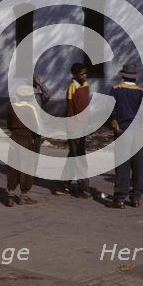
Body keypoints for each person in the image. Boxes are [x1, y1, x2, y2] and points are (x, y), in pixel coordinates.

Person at [106, 63, 143, 209]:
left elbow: (109, 109)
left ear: (123, 76)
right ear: (135, 78)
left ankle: (119, 198)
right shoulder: (141, 92)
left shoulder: (116, 90)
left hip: (122, 130)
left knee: (122, 165)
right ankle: (136, 197)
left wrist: (114, 122)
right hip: (137, 131)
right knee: (138, 165)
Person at [55, 62, 91, 198]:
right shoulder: (72, 88)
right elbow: (71, 111)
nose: (85, 76)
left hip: (83, 128)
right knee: (78, 157)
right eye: (82, 74)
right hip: (74, 128)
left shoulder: (85, 87)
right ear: (75, 75)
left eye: (86, 73)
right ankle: (84, 188)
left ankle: (62, 185)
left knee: (74, 156)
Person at [5, 85, 39, 207]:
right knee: (26, 167)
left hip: (14, 137)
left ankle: (10, 194)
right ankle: (23, 196)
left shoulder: (11, 107)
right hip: (26, 139)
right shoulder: (31, 108)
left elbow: (9, 124)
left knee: (13, 167)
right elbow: (35, 127)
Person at [32, 74, 50, 154]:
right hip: (27, 122)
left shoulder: (38, 96)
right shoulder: (24, 94)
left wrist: (40, 84)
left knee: (36, 145)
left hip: (37, 122)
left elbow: (47, 95)